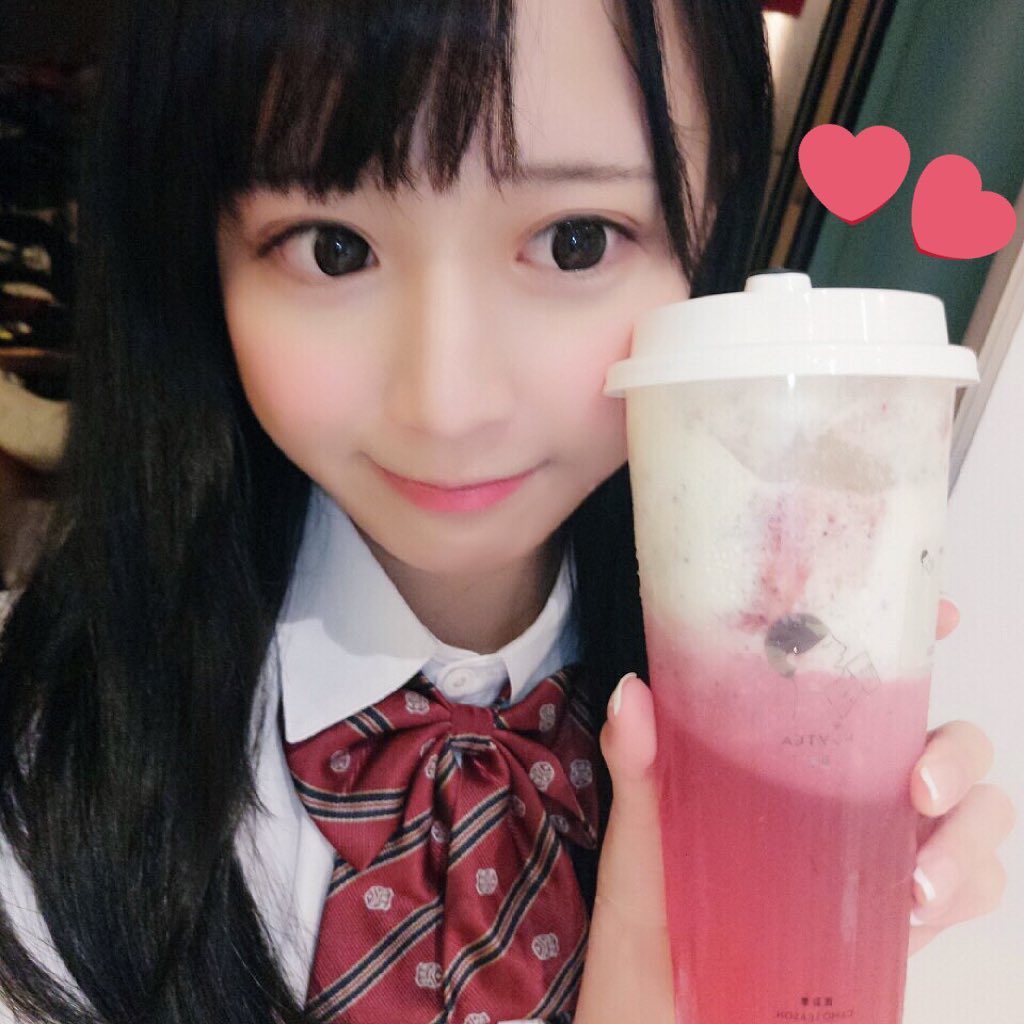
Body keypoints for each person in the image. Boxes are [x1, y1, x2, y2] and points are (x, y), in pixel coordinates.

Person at [0, 1, 1013, 1022]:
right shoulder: (41, 780)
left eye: (575, 242)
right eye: (333, 248)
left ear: (709, 236)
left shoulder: (751, 743)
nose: (448, 405)